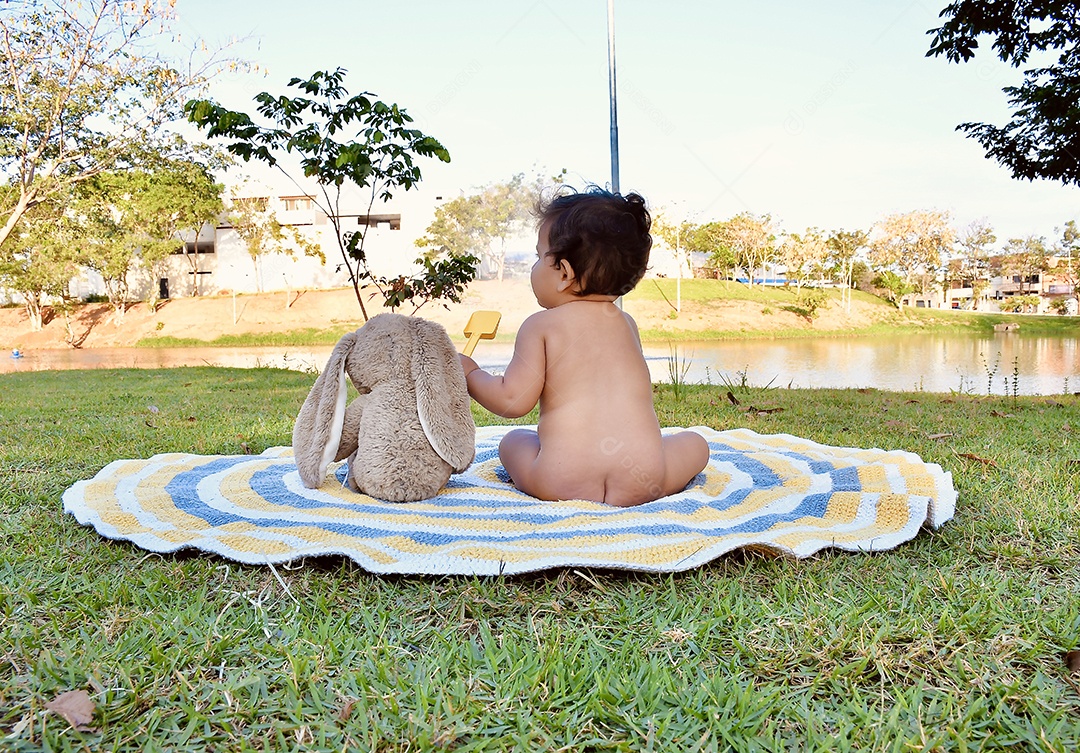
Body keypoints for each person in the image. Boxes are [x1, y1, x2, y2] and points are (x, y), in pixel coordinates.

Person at [459, 188, 710, 507]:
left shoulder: (541, 325)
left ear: (564, 273)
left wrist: (470, 373)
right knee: (695, 443)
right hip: (644, 479)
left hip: (561, 478)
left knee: (513, 442)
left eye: (538, 257)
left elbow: (512, 400)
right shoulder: (626, 324)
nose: (533, 268)